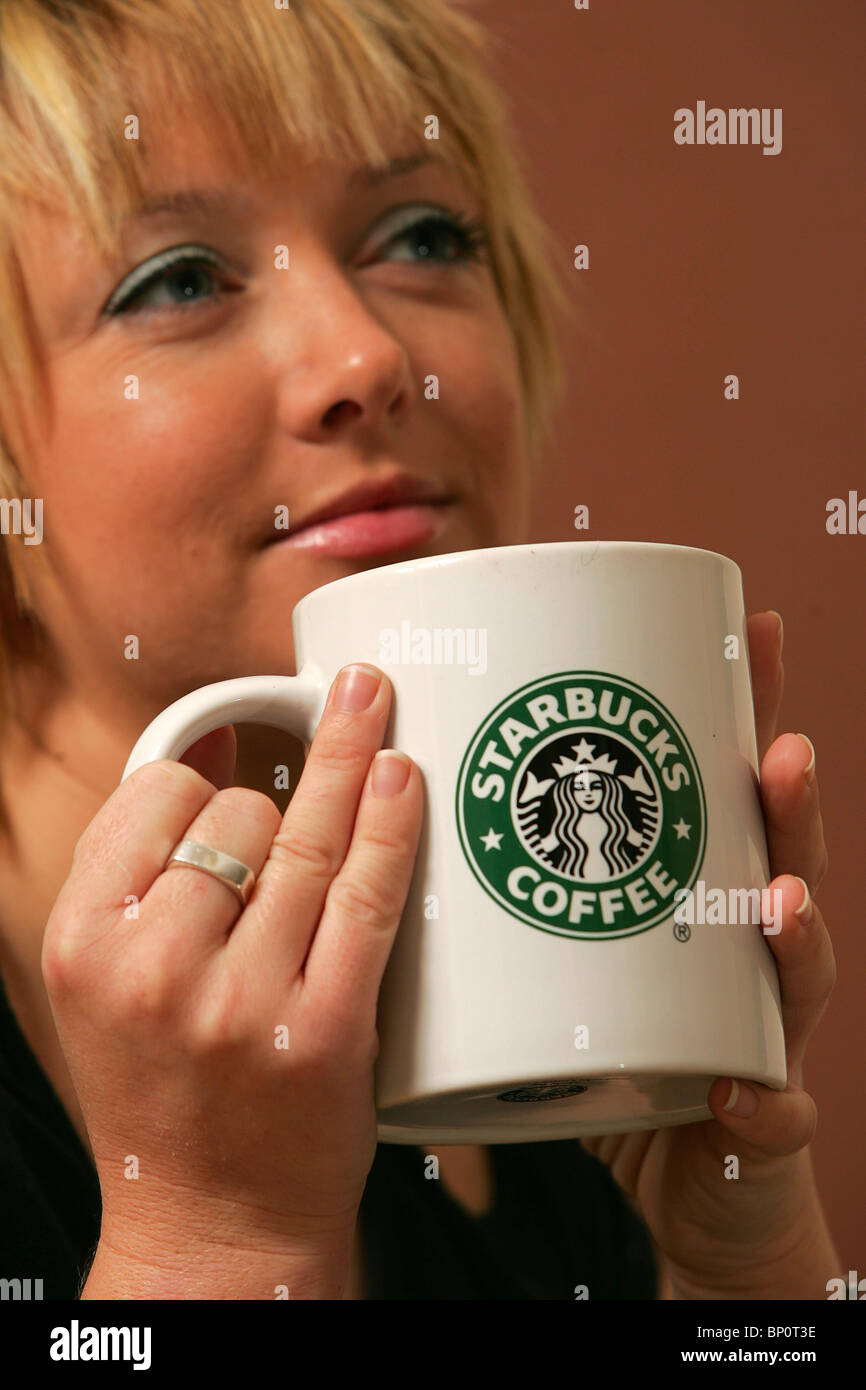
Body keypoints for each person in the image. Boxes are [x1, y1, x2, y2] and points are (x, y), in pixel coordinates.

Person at [0, 0, 838, 1300]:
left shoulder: (550, 1056)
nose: (368, 354)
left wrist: (736, 1273)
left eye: (422, 236)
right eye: (174, 280)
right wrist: (213, 1244)